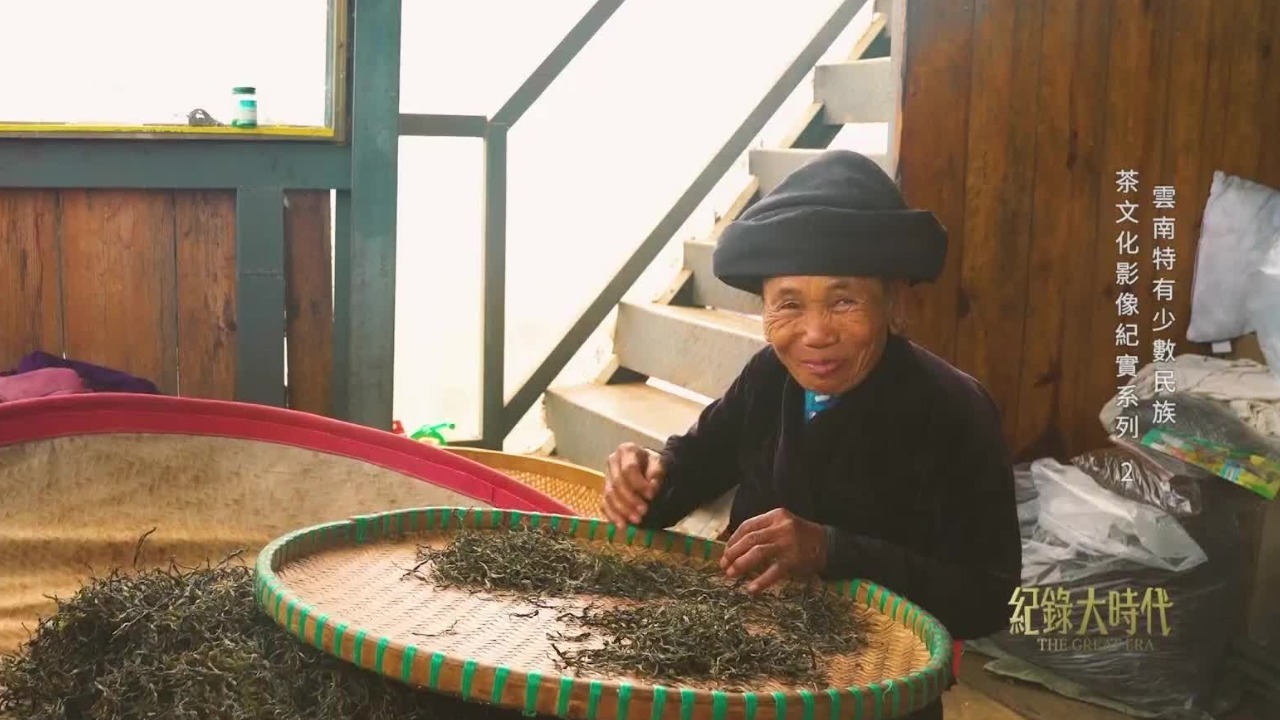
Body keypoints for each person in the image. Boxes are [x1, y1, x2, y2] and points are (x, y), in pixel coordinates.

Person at [601, 150, 1021, 720]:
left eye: (844, 301)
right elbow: (696, 462)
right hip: (739, 670)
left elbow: (988, 594)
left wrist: (831, 549)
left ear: (894, 304)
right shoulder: (768, 377)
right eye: (789, 305)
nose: (815, 334)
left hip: (875, 692)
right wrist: (648, 481)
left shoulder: (953, 410)